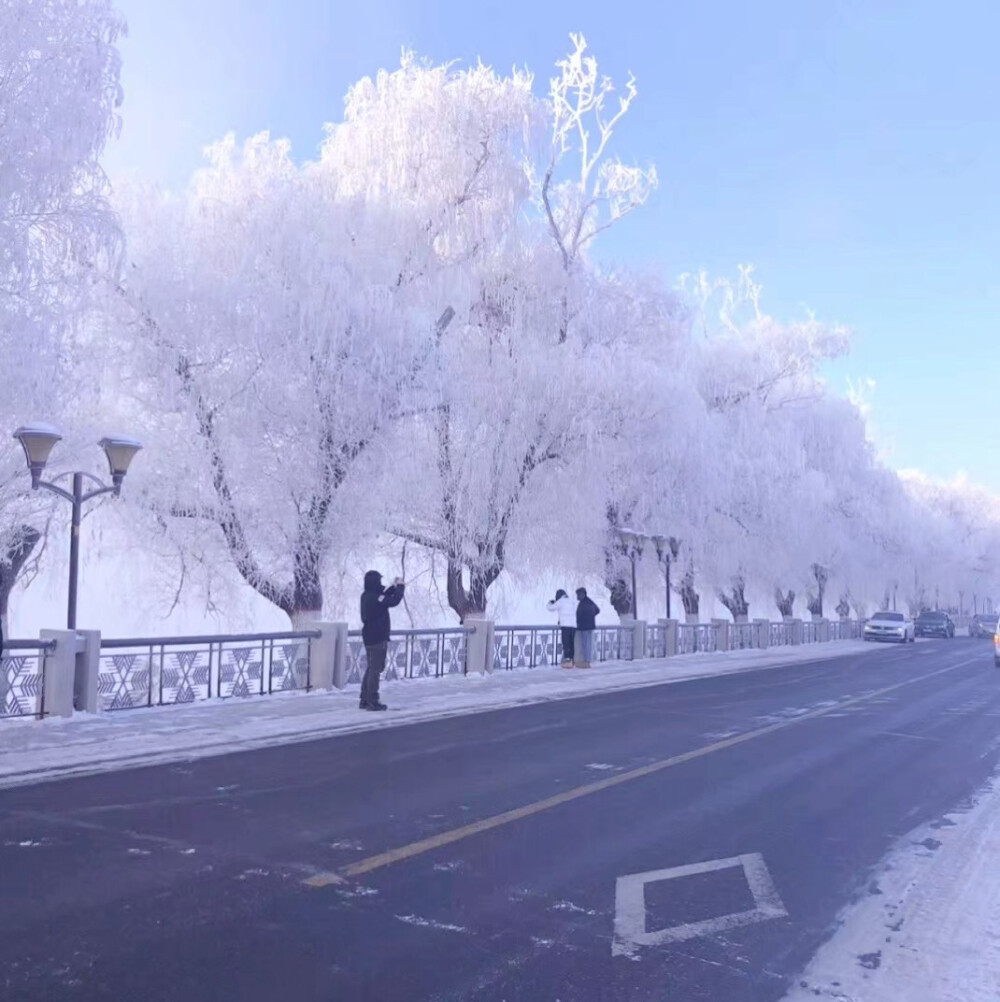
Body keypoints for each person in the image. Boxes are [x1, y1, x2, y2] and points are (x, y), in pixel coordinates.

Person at [359, 570, 405, 711]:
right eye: (378, 581)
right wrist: (401, 588)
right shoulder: (375, 597)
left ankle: (364, 699)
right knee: (376, 669)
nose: (380, 583)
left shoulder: (366, 596)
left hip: (369, 637)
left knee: (371, 668)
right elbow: (392, 601)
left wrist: (393, 586)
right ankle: (372, 700)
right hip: (378, 637)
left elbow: (383, 597)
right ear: (375, 582)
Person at [546, 589, 577, 668]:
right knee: (571, 643)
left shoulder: (560, 601)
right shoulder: (572, 601)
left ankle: (567, 660)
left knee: (566, 643)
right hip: (573, 625)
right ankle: (572, 660)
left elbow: (551, 608)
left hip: (565, 626)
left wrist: (550, 603)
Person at [575, 587, 600, 668]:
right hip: (591, 626)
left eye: (578, 595)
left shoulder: (582, 604)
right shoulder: (590, 602)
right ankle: (587, 661)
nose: (577, 597)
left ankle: (586, 662)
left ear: (582, 594)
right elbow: (597, 610)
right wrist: (591, 616)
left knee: (585, 644)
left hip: (583, 626)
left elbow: (578, 616)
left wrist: (577, 622)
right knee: (588, 644)